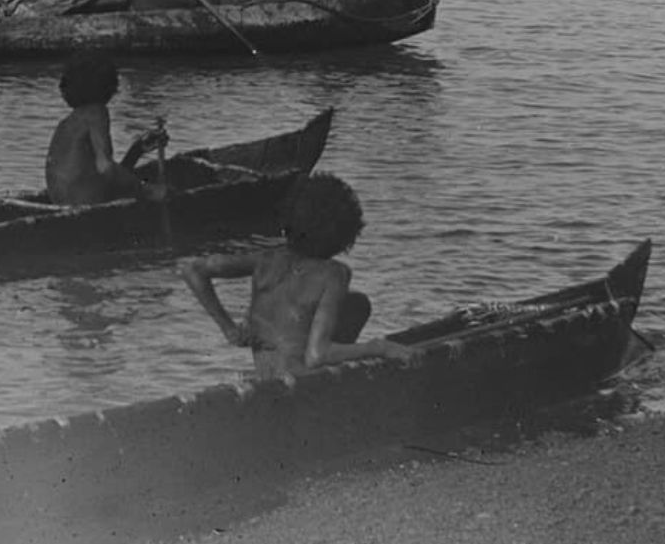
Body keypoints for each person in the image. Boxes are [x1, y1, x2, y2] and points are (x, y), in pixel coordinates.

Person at [179, 173, 415, 379]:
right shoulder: (335, 274)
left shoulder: (266, 259)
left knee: (355, 302)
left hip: (268, 378)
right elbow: (317, 355)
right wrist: (377, 348)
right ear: (344, 232)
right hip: (304, 382)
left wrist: (229, 329)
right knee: (359, 304)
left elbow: (193, 270)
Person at [44, 52, 169, 206]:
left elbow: (104, 176)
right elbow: (105, 167)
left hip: (64, 200)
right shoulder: (97, 112)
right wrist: (145, 189)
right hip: (82, 201)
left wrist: (137, 149)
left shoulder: (69, 122)